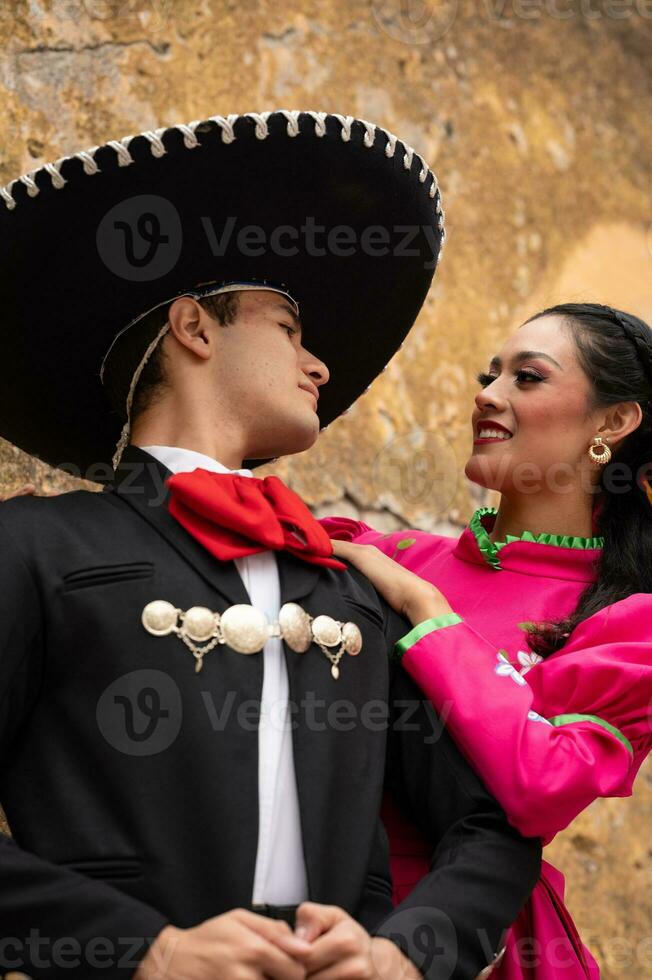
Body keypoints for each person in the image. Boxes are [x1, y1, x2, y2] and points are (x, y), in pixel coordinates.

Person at [0, 110, 540, 979]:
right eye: (289, 328)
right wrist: (147, 952)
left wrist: (405, 955)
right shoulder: (35, 546)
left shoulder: (349, 588)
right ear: (196, 328)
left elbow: (492, 827)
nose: (319, 365)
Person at [324, 302, 652, 978]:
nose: (487, 395)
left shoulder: (628, 623)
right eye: (487, 375)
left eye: (526, 378)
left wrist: (423, 609)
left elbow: (543, 783)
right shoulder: (390, 554)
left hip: (471, 943)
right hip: (314, 918)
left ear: (613, 423)